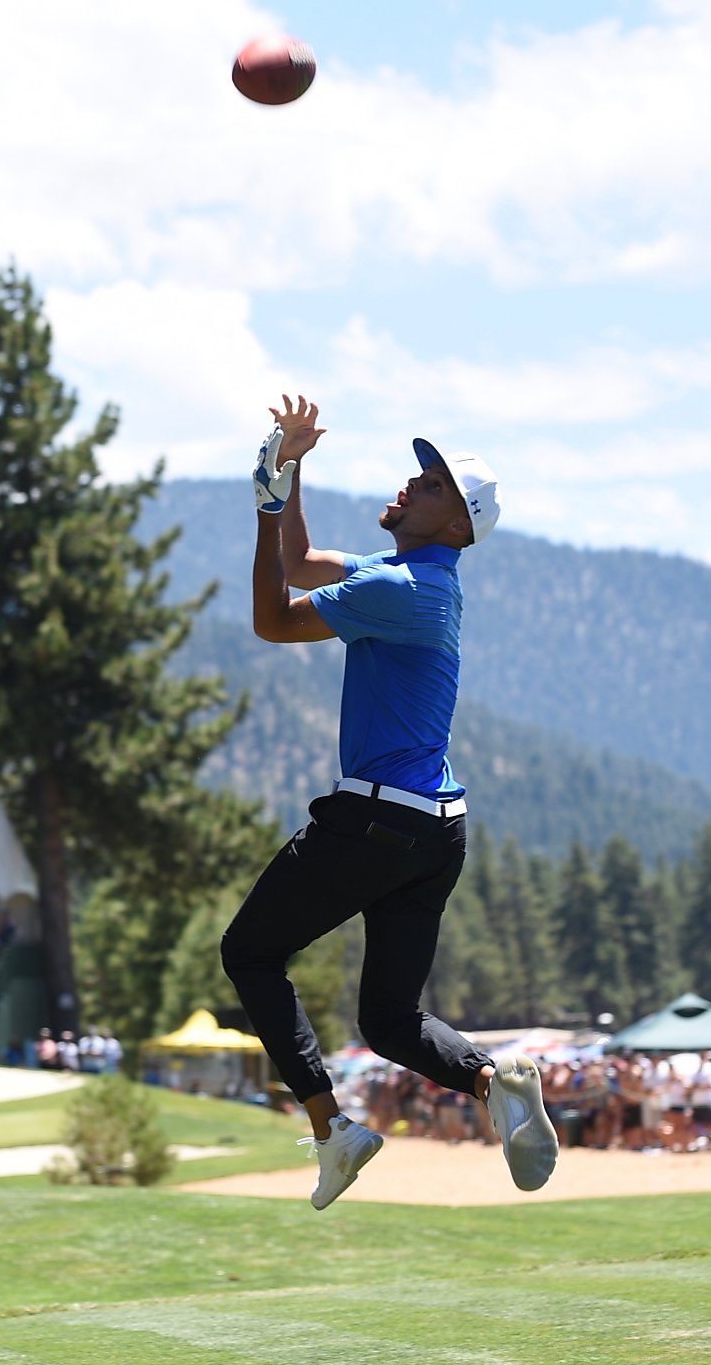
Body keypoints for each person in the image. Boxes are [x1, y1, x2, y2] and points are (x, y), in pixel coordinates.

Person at [218, 395, 552, 1210]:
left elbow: (272, 616)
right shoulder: (409, 577)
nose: (412, 482)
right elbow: (300, 563)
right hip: (437, 830)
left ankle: (334, 1129)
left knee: (251, 954)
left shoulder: (404, 591)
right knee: (392, 1021)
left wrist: (267, 506)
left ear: (454, 528)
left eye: (432, 485)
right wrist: (288, 470)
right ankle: (489, 1082)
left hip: (379, 819)